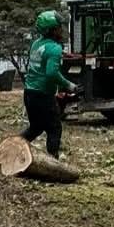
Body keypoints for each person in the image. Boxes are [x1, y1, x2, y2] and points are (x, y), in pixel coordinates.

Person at [20, 9, 76, 159]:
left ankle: (14, 149)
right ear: (52, 30)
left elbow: (43, 56)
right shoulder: (55, 48)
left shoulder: (36, 44)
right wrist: (68, 84)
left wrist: (62, 55)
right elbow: (51, 73)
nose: (62, 30)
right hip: (43, 95)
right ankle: (53, 160)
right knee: (54, 128)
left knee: (36, 127)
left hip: (29, 93)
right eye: (59, 27)